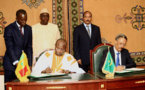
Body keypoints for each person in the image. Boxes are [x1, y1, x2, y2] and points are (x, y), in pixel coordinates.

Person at [3, 9, 32, 82]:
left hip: (23, 65)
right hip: (11, 65)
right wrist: (16, 63)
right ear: (16, 18)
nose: (24, 22)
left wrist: (30, 64)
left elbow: (29, 47)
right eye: (22, 20)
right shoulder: (9, 29)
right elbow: (10, 48)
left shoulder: (28, 28)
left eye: (25, 19)